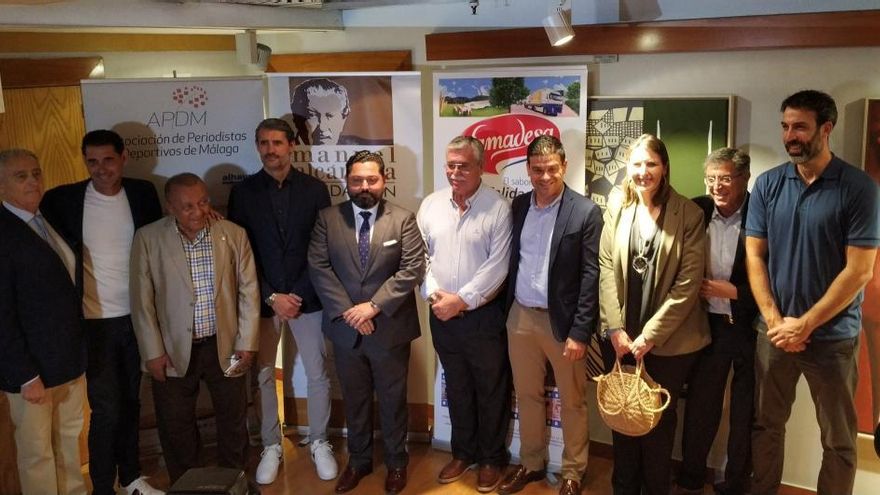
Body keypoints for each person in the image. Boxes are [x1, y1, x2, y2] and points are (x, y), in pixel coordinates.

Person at [745, 90, 880, 495]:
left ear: (826, 128)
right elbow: (755, 256)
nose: (790, 135)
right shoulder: (768, 184)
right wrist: (773, 320)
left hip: (833, 338)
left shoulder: (858, 188)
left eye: (800, 126)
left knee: (838, 440)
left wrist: (805, 324)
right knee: (766, 425)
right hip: (773, 334)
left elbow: (859, 271)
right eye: (786, 126)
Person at [40, 129, 164, 495]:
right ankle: (101, 487)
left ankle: (131, 478)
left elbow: (160, 238)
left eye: (108, 160)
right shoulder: (61, 200)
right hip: (93, 324)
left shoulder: (143, 194)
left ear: (123, 157)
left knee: (131, 402)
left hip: (138, 319)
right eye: (92, 161)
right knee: (107, 408)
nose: (100, 169)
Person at [226, 118, 338, 484]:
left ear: (291, 145)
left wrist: (297, 295)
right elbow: (241, 254)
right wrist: (272, 295)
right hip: (262, 299)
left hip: (308, 297)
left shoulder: (315, 189)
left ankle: (320, 440)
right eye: (263, 143)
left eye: (277, 142)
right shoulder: (243, 193)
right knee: (261, 375)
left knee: (318, 371)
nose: (270, 149)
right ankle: (270, 444)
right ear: (257, 146)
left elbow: (321, 249)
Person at [597, 133, 710, 495]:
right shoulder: (618, 202)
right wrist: (615, 328)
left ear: (664, 168)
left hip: (668, 341)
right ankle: (624, 488)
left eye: (651, 164)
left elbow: (688, 284)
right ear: (627, 168)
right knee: (622, 415)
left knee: (657, 423)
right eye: (637, 164)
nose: (643, 172)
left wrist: (650, 336)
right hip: (620, 337)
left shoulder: (689, 214)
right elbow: (604, 266)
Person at [130, 173, 259, 484]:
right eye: (187, 206)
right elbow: (141, 301)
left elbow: (249, 291)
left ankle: (234, 481)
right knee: (176, 425)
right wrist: (153, 352)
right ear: (170, 206)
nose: (198, 211)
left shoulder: (233, 234)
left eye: (203, 202)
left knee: (232, 419)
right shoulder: (148, 238)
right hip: (172, 350)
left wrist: (247, 341)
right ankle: (187, 484)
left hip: (225, 344)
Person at [308, 150, 425, 494]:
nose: (364, 186)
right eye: (357, 179)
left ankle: (396, 462)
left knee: (393, 400)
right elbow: (319, 267)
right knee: (355, 400)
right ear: (347, 180)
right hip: (347, 332)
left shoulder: (403, 219)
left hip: (389, 329)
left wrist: (372, 307)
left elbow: (412, 269)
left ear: (383, 180)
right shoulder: (327, 219)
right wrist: (351, 313)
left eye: (371, 179)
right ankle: (358, 461)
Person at [500, 135, 602, 495]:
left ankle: (573, 471)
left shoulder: (585, 211)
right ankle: (531, 463)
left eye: (552, 170)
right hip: (521, 317)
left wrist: (580, 332)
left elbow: (592, 277)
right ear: (528, 169)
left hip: (564, 323)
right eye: (538, 170)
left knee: (572, 401)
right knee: (526, 395)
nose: (544, 177)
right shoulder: (519, 206)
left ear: (564, 167)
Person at [417, 135, 513, 493]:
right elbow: (421, 257)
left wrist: (461, 300)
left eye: (463, 165)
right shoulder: (430, 206)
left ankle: (491, 459)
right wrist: (434, 295)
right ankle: (463, 452)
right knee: (456, 386)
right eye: (450, 164)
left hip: (482, 318)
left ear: (481, 168)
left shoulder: (498, 208)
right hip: (440, 314)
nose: (455, 172)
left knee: (490, 388)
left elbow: (497, 267)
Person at [0, 149, 87, 495]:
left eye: (36, 173)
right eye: (21, 176)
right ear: (1, 184)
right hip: (31, 373)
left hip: (68, 362)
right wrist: (25, 375)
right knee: (37, 454)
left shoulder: (48, 218)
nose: (33, 181)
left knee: (68, 443)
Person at [677, 148, 757, 495]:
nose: (717, 186)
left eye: (725, 178)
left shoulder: (764, 214)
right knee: (700, 406)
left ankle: (736, 483)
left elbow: (782, 277)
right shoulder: (697, 209)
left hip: (750, 326)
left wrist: (737, 292)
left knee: (746, 413)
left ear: (744, 179)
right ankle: (691, 478)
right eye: (711, 178)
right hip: (707, 325)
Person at [290, 78, 351, 145]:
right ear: (296, 120)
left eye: (330, 116)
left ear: (344, 117)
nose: (322, 128)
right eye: (312, 116)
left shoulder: (358, 149)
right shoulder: (281, 151)